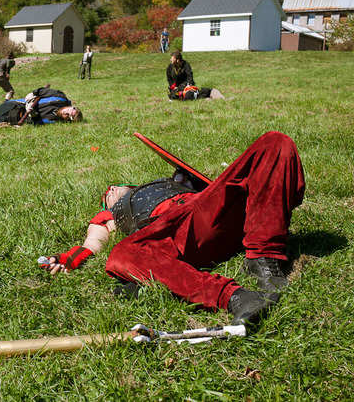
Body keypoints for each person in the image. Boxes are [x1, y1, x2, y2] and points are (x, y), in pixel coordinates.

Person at [41, 131, 305, 325]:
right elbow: (93, 242)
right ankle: (236, 298)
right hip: (171, 238)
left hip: (206, 212)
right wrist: (69, 259)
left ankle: (263, 259)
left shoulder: (174, 182)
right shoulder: (110, 213)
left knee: (276, 142)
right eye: (108, 193)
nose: (111, 191)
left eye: (115, 187)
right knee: (122, 255)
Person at [0, 86, 82, 127]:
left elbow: (35, 122)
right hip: (15, 104)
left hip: (18, 117)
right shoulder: (60, 98)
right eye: (71, 111)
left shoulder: (53, 121)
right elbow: (40, 91)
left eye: (69, 117)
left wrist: (32, 114)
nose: (67, 114)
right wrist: (31, 97)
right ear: (72, 107)